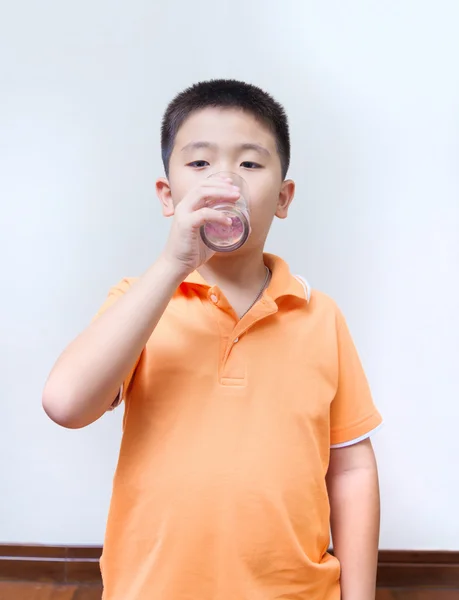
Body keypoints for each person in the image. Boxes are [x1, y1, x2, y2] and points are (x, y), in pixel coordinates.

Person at [43, 79, 382, 600]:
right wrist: (174, 265)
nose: (225, 181)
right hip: (152, 588)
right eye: (200, 163)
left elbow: (352, 467)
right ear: (167, 194)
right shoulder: (139, 302)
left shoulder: (320, 315)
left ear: (284, 197)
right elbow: (66, 404)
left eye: (250, 163)